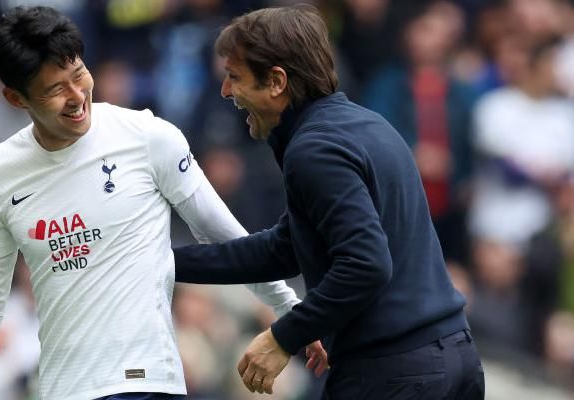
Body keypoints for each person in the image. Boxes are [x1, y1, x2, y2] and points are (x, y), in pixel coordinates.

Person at [0, 6, 327, 400]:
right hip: (59, 389)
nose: (76, 97)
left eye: (79, 75)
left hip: (144, 383)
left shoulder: (147, 136)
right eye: (55, 90)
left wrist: (290, 311)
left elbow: (225, 237)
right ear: (16, 99)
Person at [172, 4, 485, 399]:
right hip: (454, 359)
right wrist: (167, 261)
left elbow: (366, 265)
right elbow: (285, 249)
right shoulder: (366, 125)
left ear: (276, 82)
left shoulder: (314, 150)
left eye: (235, 77)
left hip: (394, 373)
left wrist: (283, 337)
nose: (226, 91)